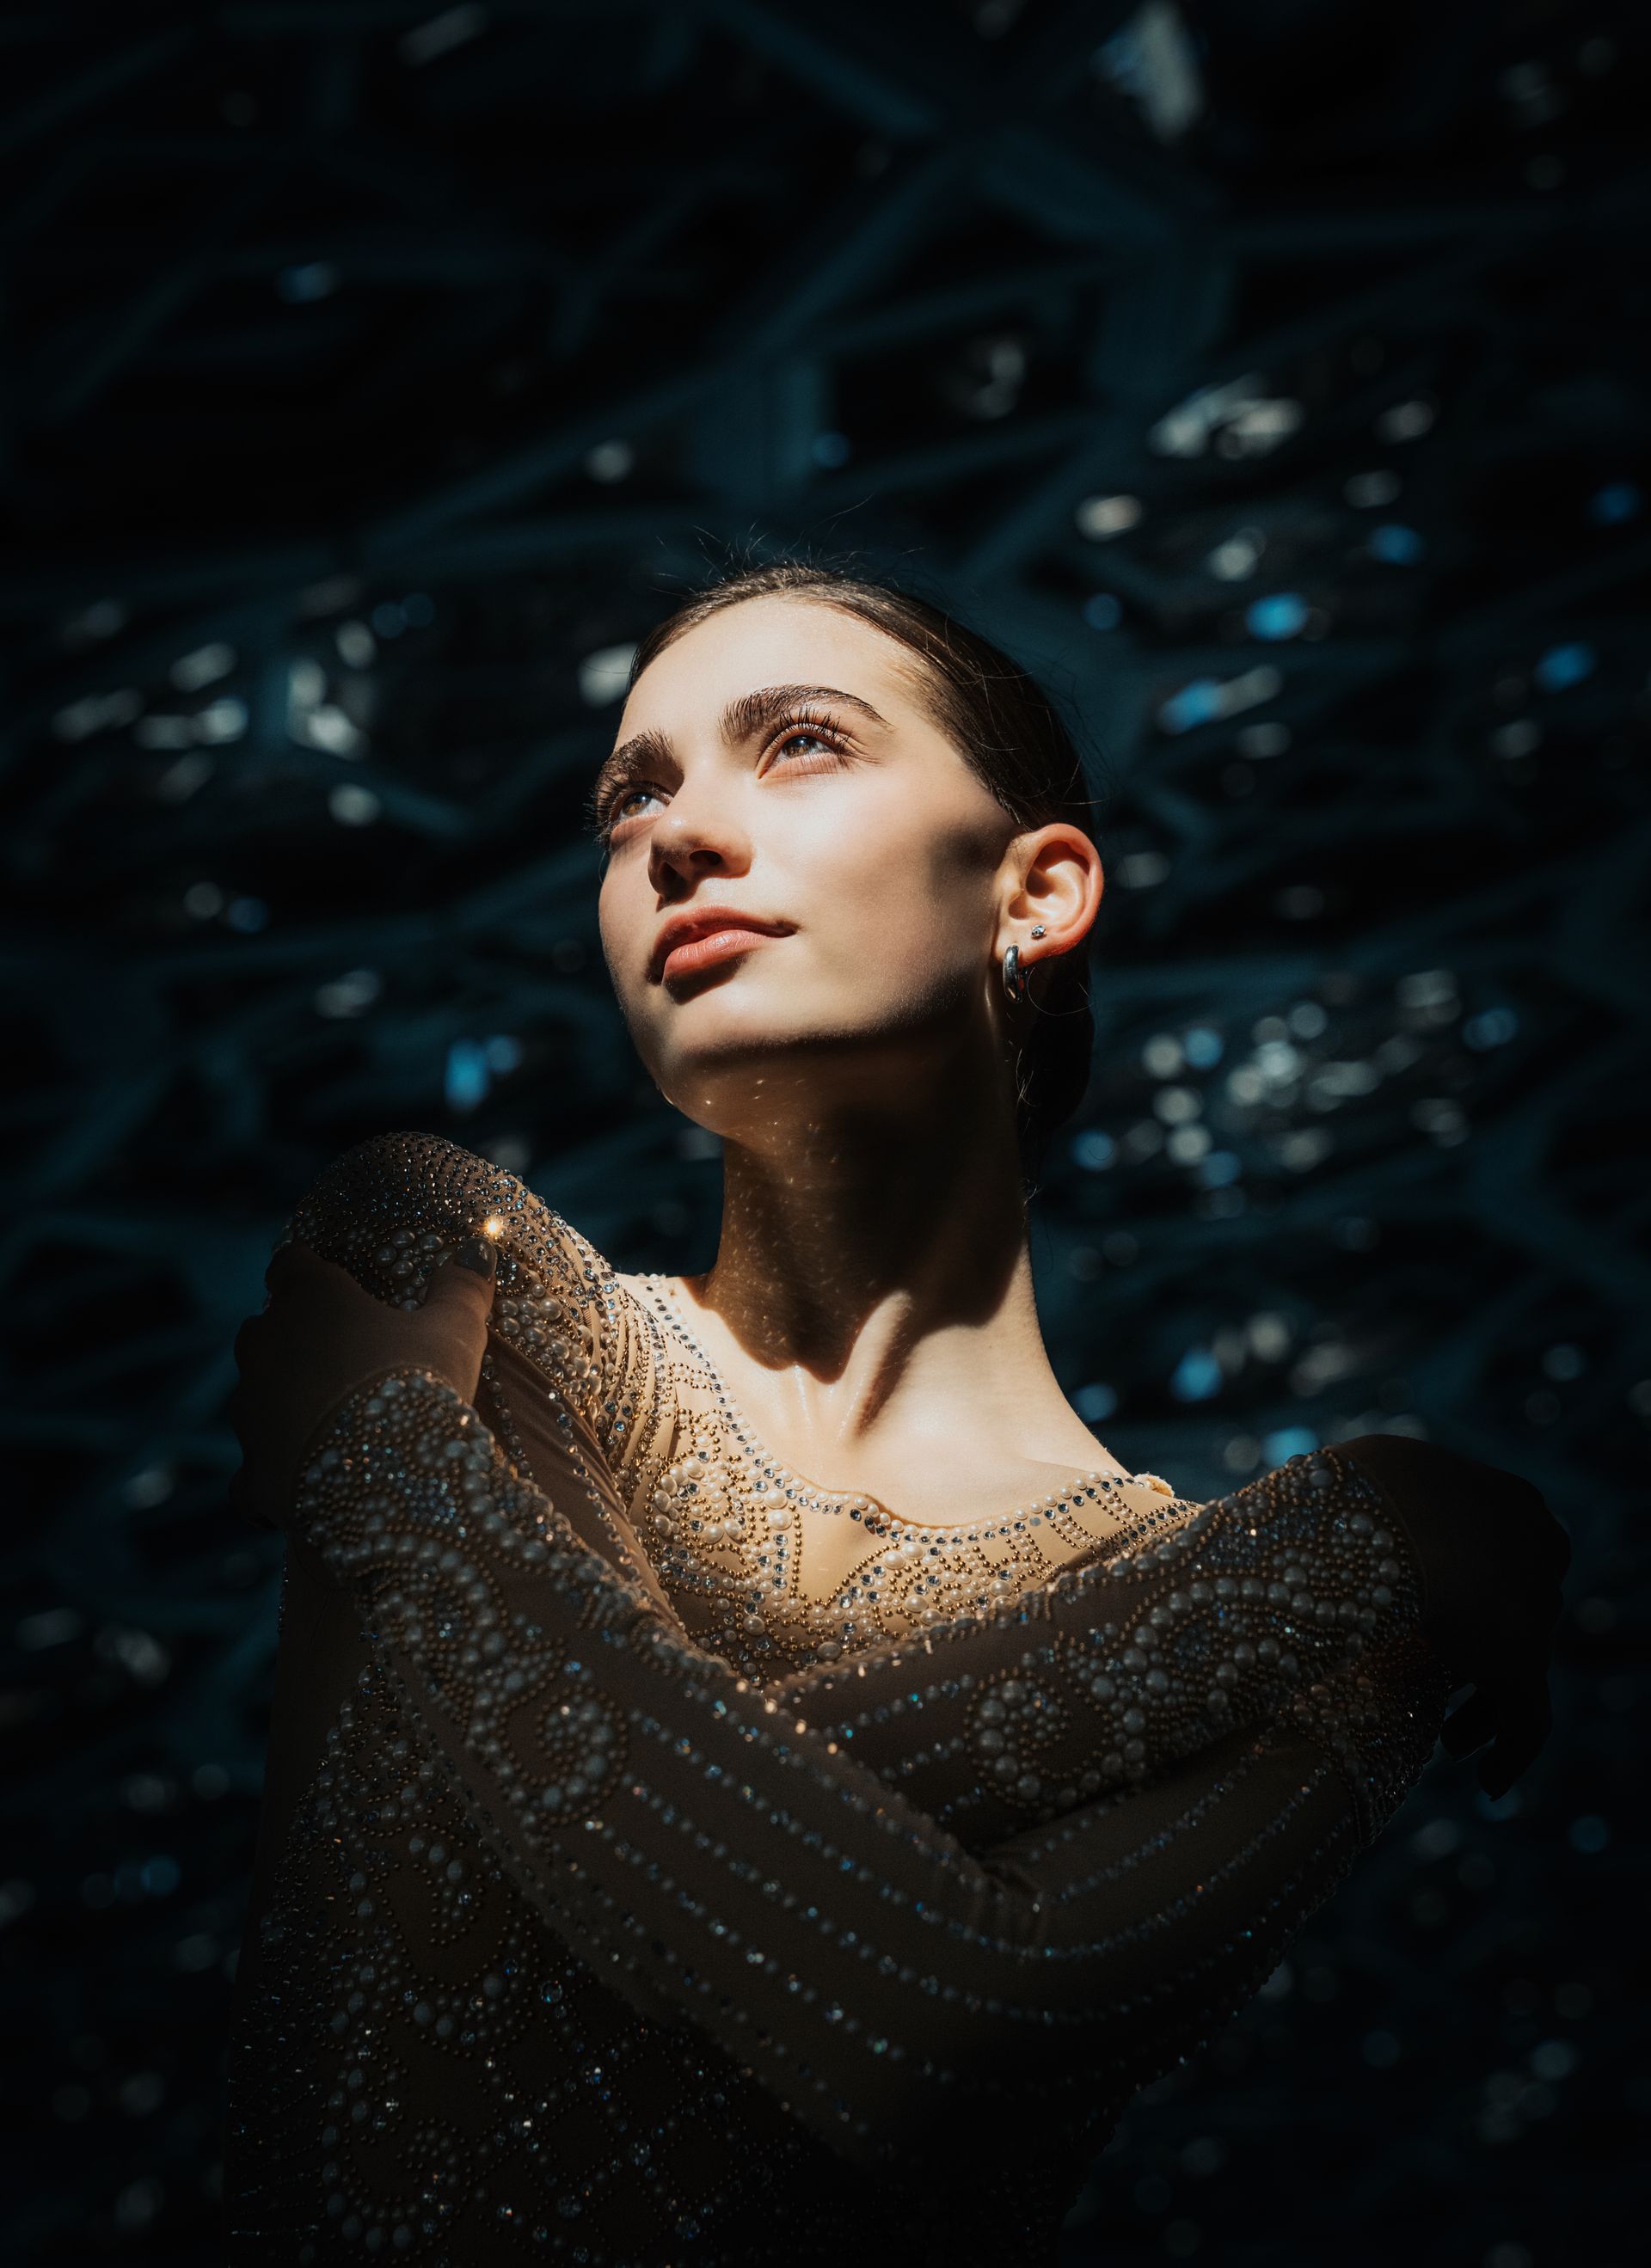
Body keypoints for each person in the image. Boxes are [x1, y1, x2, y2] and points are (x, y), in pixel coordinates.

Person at [222, 563, 1569, 2265]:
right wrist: (1358, 1539)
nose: (677, 838)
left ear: (1041, 887)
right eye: (630, 797)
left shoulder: (411, 1379)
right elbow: (777, 1970)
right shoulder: (455, 1271)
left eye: (797, 744)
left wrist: (389, 1467)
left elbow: (946, 2038)